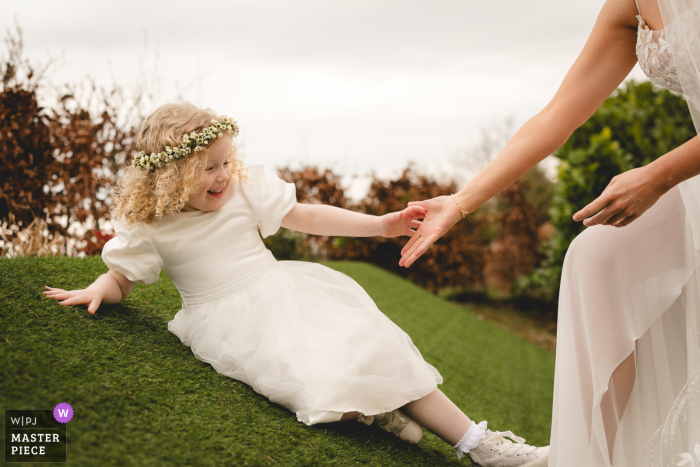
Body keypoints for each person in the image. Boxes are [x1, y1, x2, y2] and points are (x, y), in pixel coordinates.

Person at [43, 102, 549, 466]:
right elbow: (121, 277)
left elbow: (305, 215)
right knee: (309, 378)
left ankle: (481, 446)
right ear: (170, 176)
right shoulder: (151, 227)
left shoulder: (243, 191)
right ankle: (379, 414)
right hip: (228, 322)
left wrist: (378, 224)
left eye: (225, 162)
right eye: (207, 169)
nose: (222, 175)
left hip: (286, 291)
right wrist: (96, 290)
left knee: (372, 346)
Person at [400, 0, 700, 465]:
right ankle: (593, 457)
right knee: (597, 256)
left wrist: (658, 176)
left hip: (679, 175)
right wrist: (459, 204)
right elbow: (557, 115)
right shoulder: (628, 9)